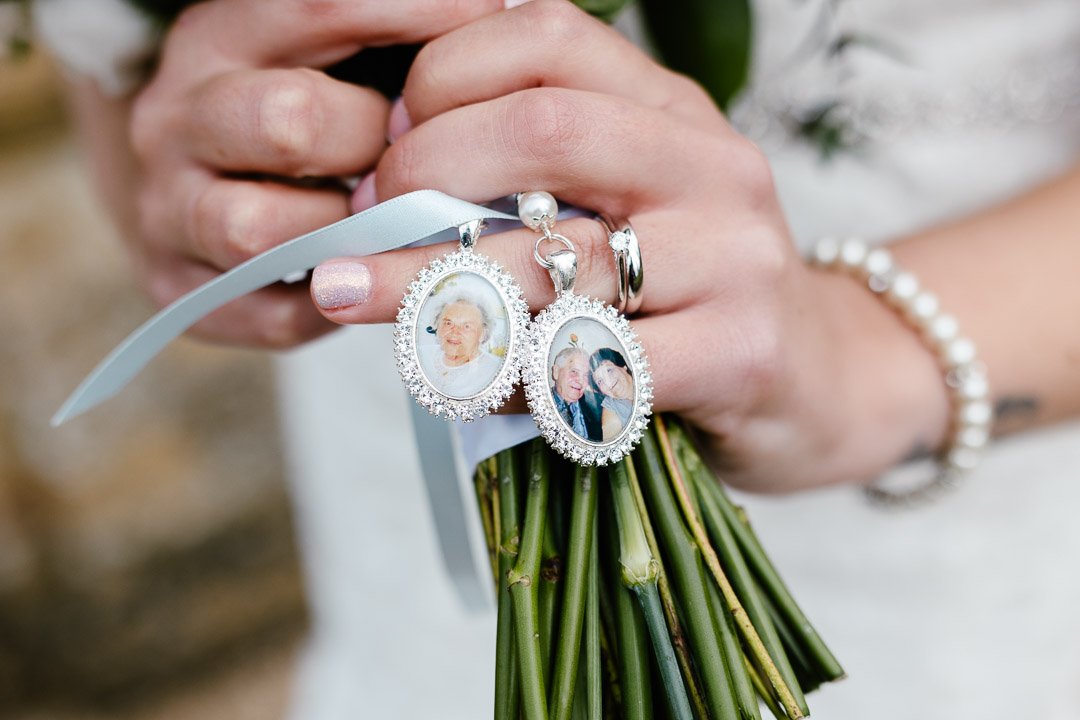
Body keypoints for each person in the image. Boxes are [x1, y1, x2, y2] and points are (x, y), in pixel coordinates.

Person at [38, 0, 1080, 716]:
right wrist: (213, 175)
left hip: (960, 542)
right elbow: (124, 89)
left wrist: (849, 358)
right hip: (408, 522)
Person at [419, 295, 502, 398]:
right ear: (437, 326)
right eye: (448, 323)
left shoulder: (496, 370)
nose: (455, 332)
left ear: (483, 334)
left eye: (466, 326)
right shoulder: (421, 355)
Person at [549, 347, 603, 442]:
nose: (581, 381)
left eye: (586, 375)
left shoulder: (599, 404)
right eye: (574, 371)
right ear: (556, 372)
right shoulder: (542, 403)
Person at [588, 347, 634, 441]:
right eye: (600, 381)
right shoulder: (610, 410)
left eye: (609, 370)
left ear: (623, 366)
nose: (608, 383)